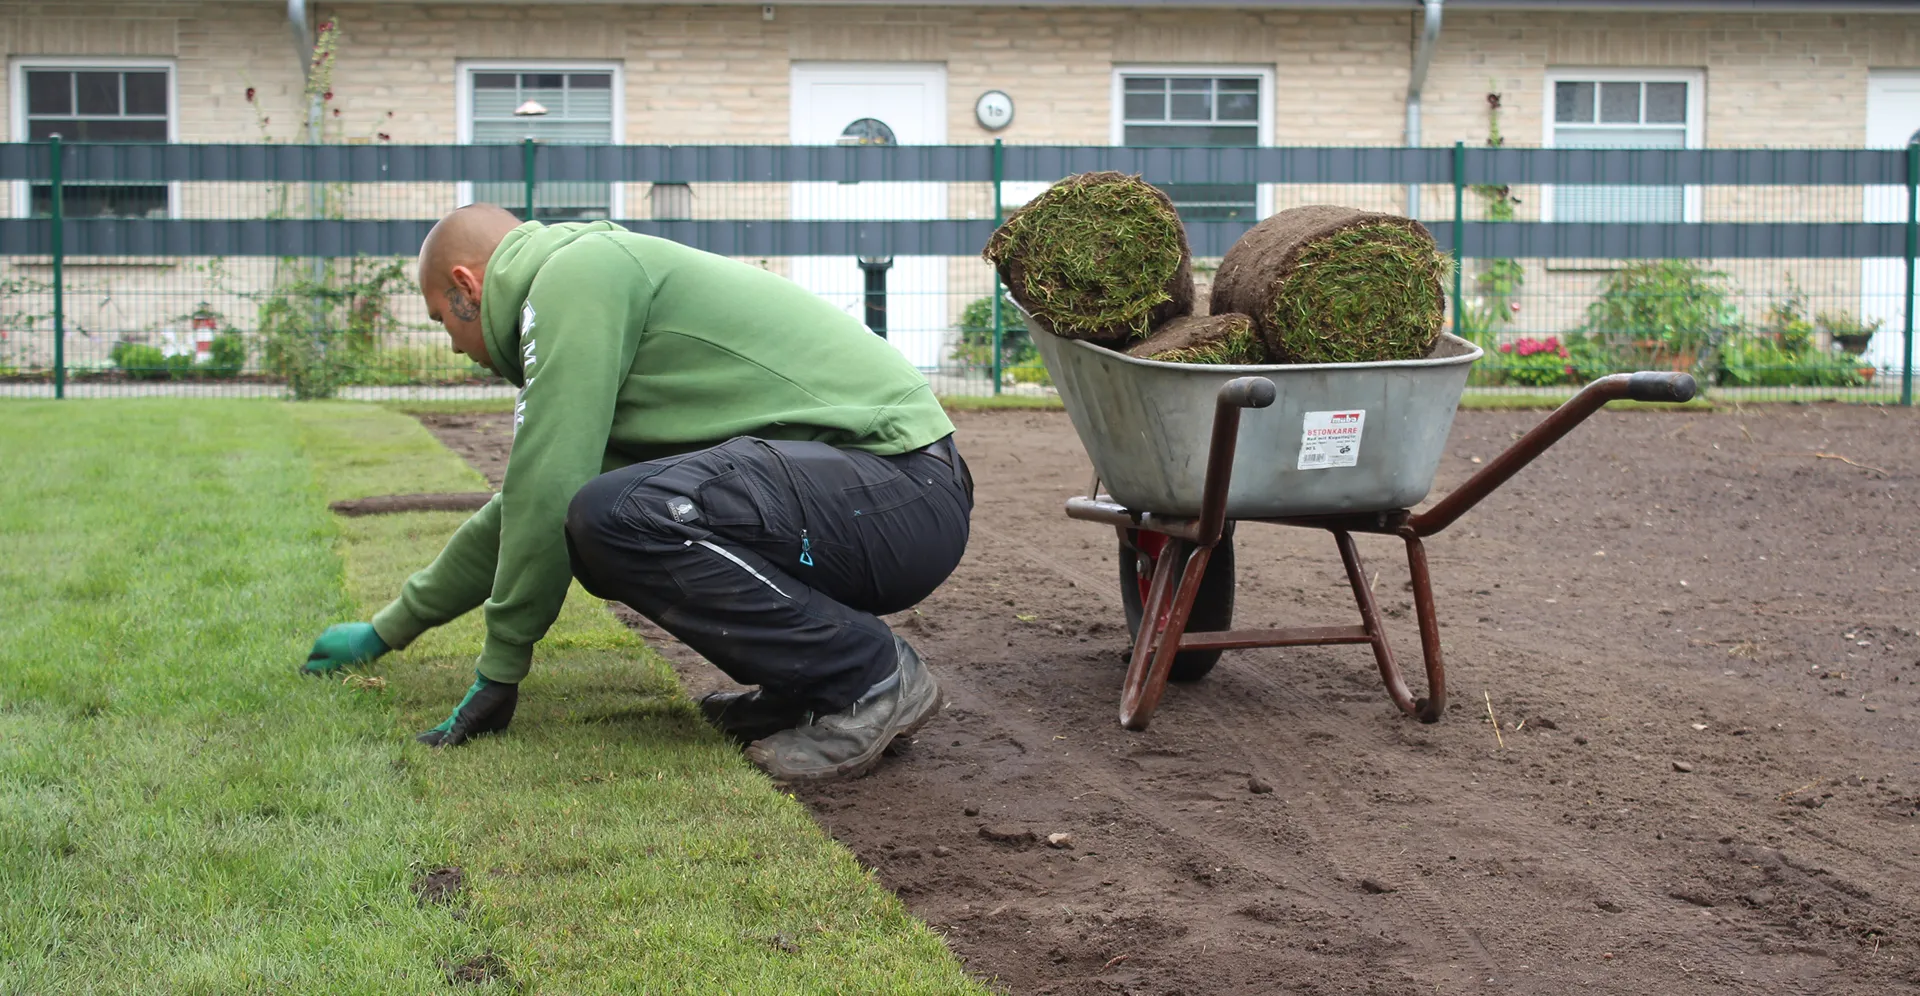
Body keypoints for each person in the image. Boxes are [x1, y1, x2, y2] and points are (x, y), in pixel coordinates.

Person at [302, 205, 972, 782]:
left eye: (440, 321)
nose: (451, 347)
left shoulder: (577, 276)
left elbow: (546, 494)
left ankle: (871, 678)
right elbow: (524, 506)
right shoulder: (588, 297)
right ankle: (810, 686)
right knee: (599, 523)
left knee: (613, 517)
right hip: (875, 498)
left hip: (899, 488)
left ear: (465, 286)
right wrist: (387, 630)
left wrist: (499, 672)